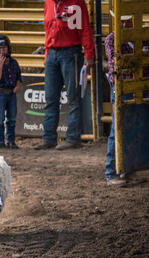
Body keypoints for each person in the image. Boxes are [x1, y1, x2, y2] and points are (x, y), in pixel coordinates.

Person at [34, 0, 94, 150]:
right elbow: (48, 29)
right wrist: (47, 54)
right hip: (53, 52)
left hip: (70, 52)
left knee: (72, 97)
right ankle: (49, 138)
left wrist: (89, 53)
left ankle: (72, 138)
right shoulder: (49, 3)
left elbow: (85, 28)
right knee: (50, 98)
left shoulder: (77, 2)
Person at [104, 16, 134, 186]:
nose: (125, 24)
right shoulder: (112, 39)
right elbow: (117, 62)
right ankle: (111, 171)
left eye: (127, 20)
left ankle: (126, 169)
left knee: (130, 128)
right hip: (121, 86)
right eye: (122, 21)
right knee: (117, 130)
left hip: (132, 86)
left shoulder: (136, 38)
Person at [0, 34, 22, 149]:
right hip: (0, 92)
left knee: (12, 118)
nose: (2, 51)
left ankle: (11, 141)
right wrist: (0, 65)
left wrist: (18, 85)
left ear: (8, 48)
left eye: (4, 48)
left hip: (11, 93)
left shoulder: (14, 62)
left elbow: (19, 76)